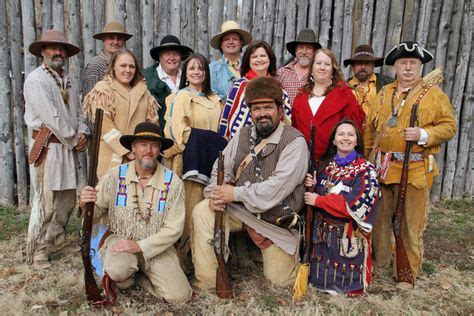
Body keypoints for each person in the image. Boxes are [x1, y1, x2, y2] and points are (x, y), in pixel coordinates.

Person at [191, 77, 308, 292]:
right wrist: (218, 193)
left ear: (280, 110)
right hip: (241, 211)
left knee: (280, 283)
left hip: (275, 222)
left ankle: (260, 253)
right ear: (251, 111)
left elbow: (274, 190)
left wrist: (233, 193)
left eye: (268, 107)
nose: (262, 113)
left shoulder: (295, 142)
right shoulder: (243, 134)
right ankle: (208, 283)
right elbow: (221, 167)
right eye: (256, 108)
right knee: (202, 211)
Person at [364, 41, 456, 287]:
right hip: (384, 169)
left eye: (413, 64)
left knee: (409, 224)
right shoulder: (383, 94)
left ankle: (407, 274)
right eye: (403, 63)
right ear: (395, 67)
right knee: (381, 222)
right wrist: (367, 159)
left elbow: (449, 127)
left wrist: (424, 135)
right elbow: (370, 129)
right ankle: (381, 264)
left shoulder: (434, 95)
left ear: (420, 67)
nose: (407, 68)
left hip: (414, 170)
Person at [79, 122, 193, 303]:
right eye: (143, 144)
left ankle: (140, 279)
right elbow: (96, 212)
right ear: (133, 147)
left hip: (157, 246)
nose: (148, 150)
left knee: (180, 296)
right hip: (121, 239)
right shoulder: (115, 175)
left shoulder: (173, 182)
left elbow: (174, 229)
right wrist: (86, 203)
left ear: (160, 149)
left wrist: (140, 246)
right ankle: (127, 276)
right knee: (118, 271)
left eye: (154, 145)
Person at [24, 30, 89, 267]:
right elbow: (51, 117)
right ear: (43, 51)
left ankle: (54, 239)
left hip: (66, 148)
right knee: (48, 202)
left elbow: (79, 112)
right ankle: (38, 251)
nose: (58, 52)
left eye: (62, 49)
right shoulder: (36, 80)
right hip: (48, 148)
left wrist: (82, 132)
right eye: (53, 48)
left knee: (67, 200)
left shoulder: (68, 80)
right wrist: (74, 138)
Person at [162, 53, 225, 271]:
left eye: (201, 68)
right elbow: (177, 131)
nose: (197, 72)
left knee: (211, 207)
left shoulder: (217, 100)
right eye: (192, 69)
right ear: (185, 73)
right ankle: (183, 258)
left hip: (214, 160)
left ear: (206, 73)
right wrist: (206, 139)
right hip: (191, 160)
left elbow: (223, 131)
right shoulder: (181, 97)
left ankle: (208, 258)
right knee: (191, 206)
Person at [303, 120, 380, 296]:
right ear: (334, 140)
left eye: (350, 134)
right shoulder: (325, 166)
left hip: (347, 238)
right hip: (322, 237)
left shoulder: (366, 170)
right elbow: (317, 195)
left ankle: (348, 287)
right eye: (341, 134)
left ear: (357, 140)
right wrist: (314, 185)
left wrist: (319, 201)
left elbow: (358, 204)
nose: (345, 138)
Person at [83, 49, 159, 178]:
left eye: (131, 66)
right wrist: (125, 150)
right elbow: (104, 125)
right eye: (123, 65)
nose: (128, 70)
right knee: (110, 194)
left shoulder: (144, 92)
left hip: (139, 157)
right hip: (111, 156)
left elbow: (152, 123)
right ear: (113, 66)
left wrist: (143, 150)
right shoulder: (103, 90)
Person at [292, 48, 365, 161]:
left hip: (335, 162)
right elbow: (294, 130)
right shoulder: (301, 96)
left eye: (327, 64)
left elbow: (355, 130)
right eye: (318, 63)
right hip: (303, 161)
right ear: (311, 68)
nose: (322, 67)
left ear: (333, 69)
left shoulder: (345, 95)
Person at [218, 40, 292, 139]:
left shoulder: (278, 88)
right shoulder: (240, 86)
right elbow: (227, 117)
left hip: (274, 145)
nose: (259, 60)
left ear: (270, 59)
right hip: (242, 145)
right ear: (249, 61)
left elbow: (286, 119)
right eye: (254, 57)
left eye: (263, 56)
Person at [143, 35, 193, 131]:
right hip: (157, 133)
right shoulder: (146, 78)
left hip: (184, 133)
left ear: (181, 57)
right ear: (160, 57)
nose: (172, 58)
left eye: (176, 54)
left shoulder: (189, 77)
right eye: (167, 54)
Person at [84, 21, 133, 95]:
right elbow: (90, 99)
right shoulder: (96, 65)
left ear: (123, 42)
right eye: (111, 38)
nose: (116, 42)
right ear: (103, 40)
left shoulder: (127, 66)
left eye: (119, 39)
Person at [209, 20, 252, 101]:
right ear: (221, 44)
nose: (231, 42)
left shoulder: (250, 65)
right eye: (227, 39)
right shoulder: (212, 69)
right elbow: (211, 95)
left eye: (235, 39)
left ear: (241, 43)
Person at [276, 29, 321, 105]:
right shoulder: (281, 72)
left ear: (314, 52)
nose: (304, 52)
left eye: (308, 48)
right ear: (296, 51)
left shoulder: (318, 74)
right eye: (301, 47)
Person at [343, 44, 392, 114]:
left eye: (367, 63)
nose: (363, 67)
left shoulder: (388, 84)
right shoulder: (344, 87)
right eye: (359, 63)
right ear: (352, 66)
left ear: (373, 65)